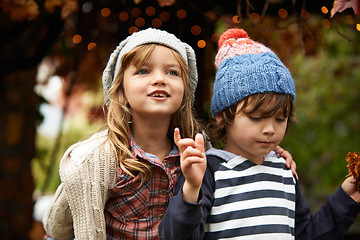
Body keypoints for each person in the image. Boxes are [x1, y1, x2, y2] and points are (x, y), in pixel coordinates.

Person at [42, 27, 295, 240]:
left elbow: (234, 154)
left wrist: (272, 154)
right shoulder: (97, 159)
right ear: (120, 89)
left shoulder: (196, 148)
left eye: (172, 72)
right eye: (143, 70)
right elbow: (67, 228)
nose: (160, 79)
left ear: (186, 90)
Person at [159, 28, 360, 240]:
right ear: (221, 116)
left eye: (280, 119)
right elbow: (176, 236)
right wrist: (191, 189)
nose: (270, 129)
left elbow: (305, 234)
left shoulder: (284, 170)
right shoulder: (207, 170)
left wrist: (346, 199)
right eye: (256, 118)